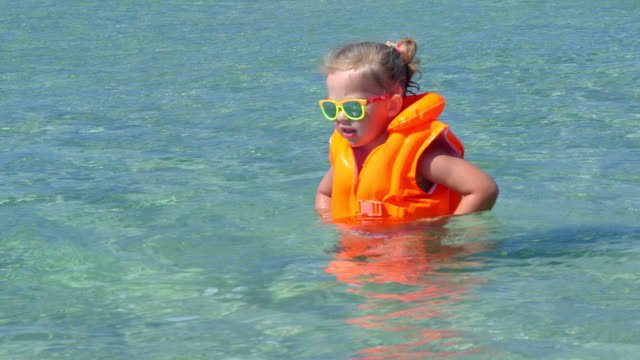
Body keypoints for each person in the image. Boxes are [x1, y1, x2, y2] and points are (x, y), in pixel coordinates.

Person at [315, 38, 499, 222]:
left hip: (416, 250)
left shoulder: (420, 156)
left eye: (353, 108)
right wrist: (330, 220)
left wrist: (451, 232)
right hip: (358, 248)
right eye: (331, 108)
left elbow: (483, 189)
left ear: (392, 106)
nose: (340, 117)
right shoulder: (346, 153)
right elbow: (325, 193)